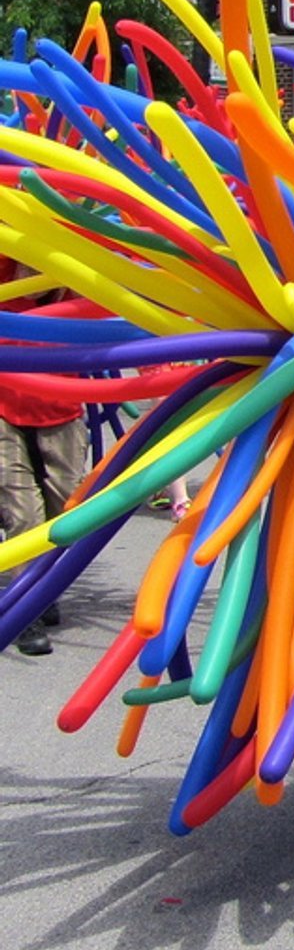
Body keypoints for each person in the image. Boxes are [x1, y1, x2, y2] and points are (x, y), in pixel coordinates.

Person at [0, 253, 87, 657]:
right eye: (24, 265)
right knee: (23, 514)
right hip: (3, 413)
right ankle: (24, 611)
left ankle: (42, 587)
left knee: (67, 509)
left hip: (61, 412)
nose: (29, 274)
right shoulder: (5, 282)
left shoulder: (77, 296)